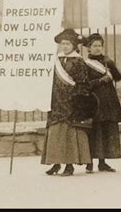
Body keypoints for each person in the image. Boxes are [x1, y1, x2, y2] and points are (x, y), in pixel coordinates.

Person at [41, 29, 98, 177]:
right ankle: (55, 163)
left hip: (70, 103)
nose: (65, 46)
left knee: (69, 136)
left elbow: (83, 84)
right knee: (55, 134)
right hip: (56, 102)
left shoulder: (79, 62)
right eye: (63, 44)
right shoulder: (56, 60)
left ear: (74, 46)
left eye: (68, 44)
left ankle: (69, 165)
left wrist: (75, 98)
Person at [83, 33, 121, 173]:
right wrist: (100, 81)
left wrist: (112, 65)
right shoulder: (86, 64)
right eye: (94, 46)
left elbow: (118, 78)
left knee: (105, 131)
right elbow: (84, 85)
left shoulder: (107, 63)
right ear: (88, 48)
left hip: (108, 102)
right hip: (94, 102)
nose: (97, 48)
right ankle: (90, 163)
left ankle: (102, 162)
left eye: (99, 46)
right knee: (94, 132)